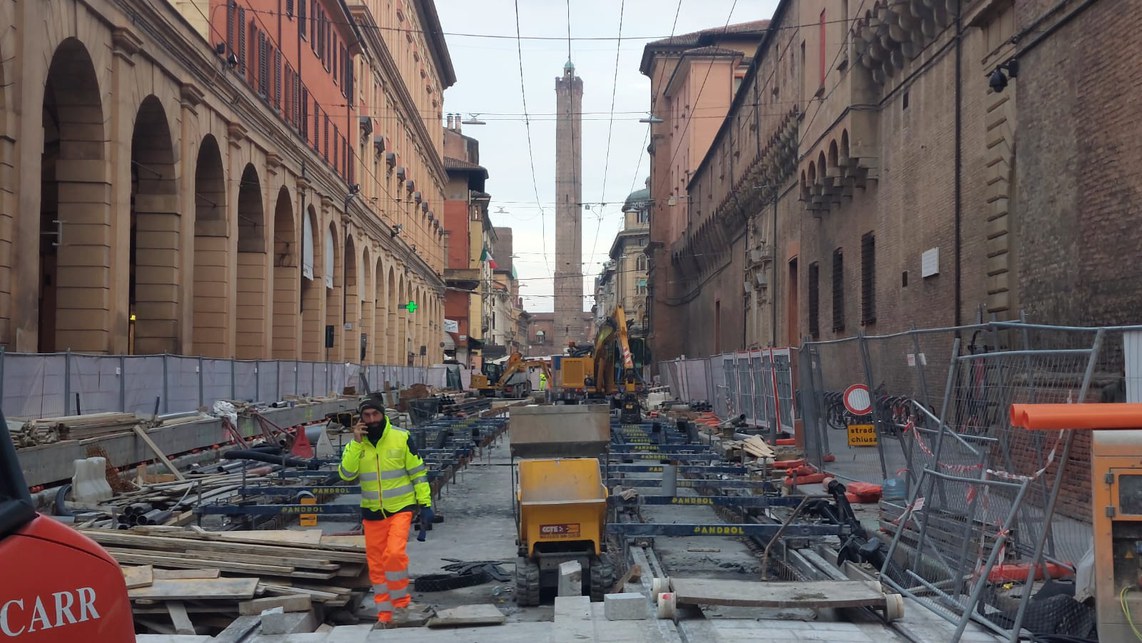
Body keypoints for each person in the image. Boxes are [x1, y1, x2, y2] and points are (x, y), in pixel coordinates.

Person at [338, 395, 433, 629]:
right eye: (366, 416)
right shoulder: (355, 445)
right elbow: (346, 475)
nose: (371, 420)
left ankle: (401, 604)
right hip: (372, 513)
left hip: (400, 508)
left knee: (393, 555)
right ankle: (385, 616)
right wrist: (357, 444)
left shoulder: (401, 438)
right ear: (361, 419)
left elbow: (418, 473)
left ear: (383, 415)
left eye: (375, 414)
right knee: (377, 565)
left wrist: (426, 503)